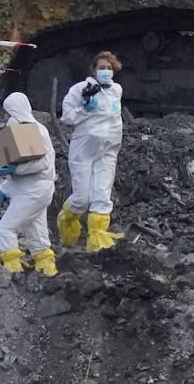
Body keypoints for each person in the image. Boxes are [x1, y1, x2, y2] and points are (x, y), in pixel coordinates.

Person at [58, 51, 125, 253]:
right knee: (82, 198)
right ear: (93, 70)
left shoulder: (117, 90)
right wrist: (84, 109)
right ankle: (66, 221)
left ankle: (97, 243)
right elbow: (66, 117)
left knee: (102, 197)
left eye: (109, 68)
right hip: (83, 150)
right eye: (101, 68)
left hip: (108, 150)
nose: (106, 71)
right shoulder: (80, 89)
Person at [0, 92, 58, 276]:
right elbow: (17, 169)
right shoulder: (18, 131)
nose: (6, 117)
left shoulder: (37, 130)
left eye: (8, 113)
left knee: (6, 229)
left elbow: (43, 165)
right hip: (31, 190)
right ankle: (47, 269)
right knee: (36, 231)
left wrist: (14, 170)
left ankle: (12, 270)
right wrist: (2, 190)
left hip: (36, 190)